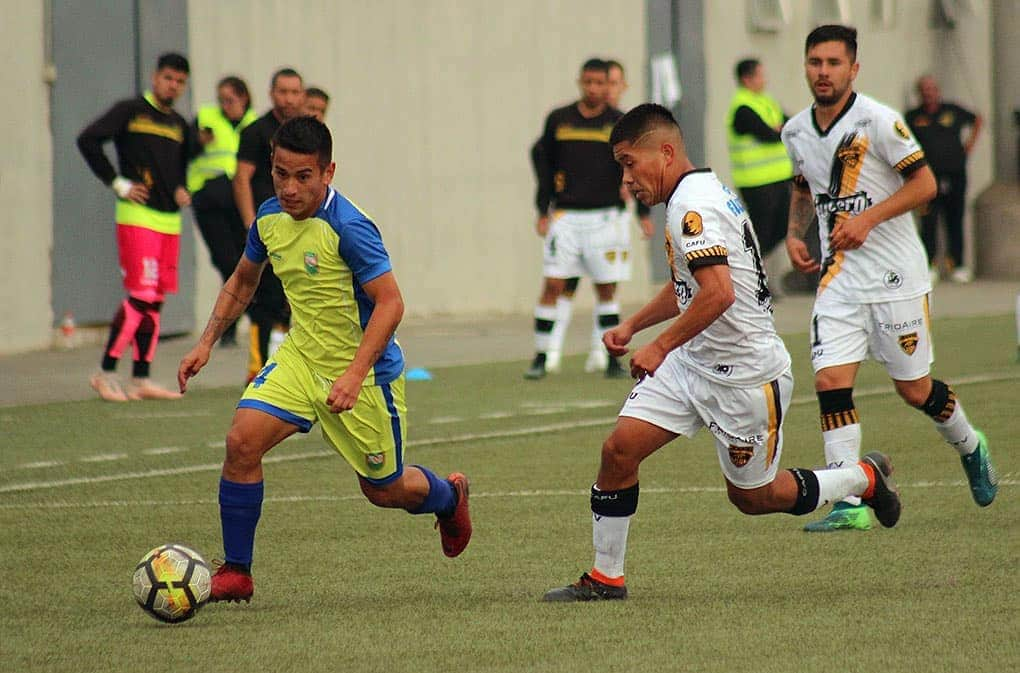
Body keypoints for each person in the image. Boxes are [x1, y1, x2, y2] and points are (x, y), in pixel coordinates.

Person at [543, 104, 901, 602]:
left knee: (754, 498)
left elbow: (719, 294)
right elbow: (689, 285)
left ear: (665, 152)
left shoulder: (694, 207)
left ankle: (859, 477)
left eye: (630, 163)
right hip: (692, 363)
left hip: (746, 376)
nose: (627, 180)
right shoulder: (691, 195)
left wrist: (659, 345)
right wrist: (633, 324)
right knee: (618, 451)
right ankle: (607, 577)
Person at [178, 116, 472, 603]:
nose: (289, 188)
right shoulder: (269, 219)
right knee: (241, 443)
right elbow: (243, 281)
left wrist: (355, 374)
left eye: (303, 176)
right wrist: (206, 341)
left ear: (328, 172)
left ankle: (448, 497)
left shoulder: (350, 228)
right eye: (280, 174)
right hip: (300, 358)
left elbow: (391, 303)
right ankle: (238, 571)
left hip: (365, 372)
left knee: (384, 489)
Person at [781, 25, 997, 533]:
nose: (823, 72)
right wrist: (795, 234)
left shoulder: (879, 121)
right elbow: (802, 185)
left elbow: (923, 184)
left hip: (897, 277)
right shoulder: (794, 130)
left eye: (834, 63)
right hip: (840, 278)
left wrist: (868, 218)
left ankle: (970, 444)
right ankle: (848, 498)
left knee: (914, 389)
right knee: (831, 381)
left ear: (853, 69)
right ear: (806, 66)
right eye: (815, 62)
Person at [527, 58, 653, 380]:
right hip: (566, 216)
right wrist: (543, 210)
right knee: (553, 285)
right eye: (588, 82)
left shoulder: (619, 122)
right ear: (580, 82)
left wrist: (642, 211)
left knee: (606, 289)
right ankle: (542, 356)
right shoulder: (559, 119)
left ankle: (610, 357)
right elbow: (543, 164)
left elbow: (634, 167)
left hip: (605, 217)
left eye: (600, 82)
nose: (594, 88)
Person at [76, 52, 192, 402]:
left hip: (169, 221)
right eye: (168, 78)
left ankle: (140, 378)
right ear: (156, 78)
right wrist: (119, 184)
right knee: (140, 295)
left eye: (180, 81)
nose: (173, 85)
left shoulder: (179, 125)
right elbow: (88, 140)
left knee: (155, 301)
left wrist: (180, 189)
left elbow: (179, 169)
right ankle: (104, 372)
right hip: (137, 218)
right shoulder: (130, 111)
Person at [233, 68, 305, 382]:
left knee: (298, 297)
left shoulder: (308, 132)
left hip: (302, 227)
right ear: (271, 93)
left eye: (294, 92)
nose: (288, 98)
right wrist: (252, 222)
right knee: (265, 299)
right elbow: (242, 178)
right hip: (270, 227)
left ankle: (296, 365)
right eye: (283, 91)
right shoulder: (256, 131)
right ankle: (259, 369)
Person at [187, 75, 258, 346]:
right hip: (209, 200)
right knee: (228, 263)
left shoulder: (254, 124)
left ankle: (235, 324)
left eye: (230, 100)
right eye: (221, 100)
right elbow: (185, 151)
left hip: (240, 203)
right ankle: (249, 315)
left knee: (245, 262)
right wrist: (198, 141)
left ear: (244, 98)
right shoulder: (207, 118)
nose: (224, 105)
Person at [905, 75, 983, 283]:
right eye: (925, 89)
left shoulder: (952, 110)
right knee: (928, 221)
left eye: (932, 89)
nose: (929, 93)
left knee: (954, 219)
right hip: (928, 177)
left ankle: (957, 264)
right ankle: (929, 264)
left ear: (938, 91)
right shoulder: (913, 116)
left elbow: (978, 119)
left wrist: (969, 145)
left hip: (955, 174)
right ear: (920, 93)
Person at [726, 58, 794, 259]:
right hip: (756, 181)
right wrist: (777, 130)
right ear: (747, 79)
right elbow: (768, 135)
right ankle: (745, 265)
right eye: (760, 75)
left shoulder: (767, 101)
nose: (764, 80)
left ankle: (752, 262)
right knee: (760, 232)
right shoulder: (742, 108)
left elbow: (791, 126)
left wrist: (779, 129)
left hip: (779, 178)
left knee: (783, 227)